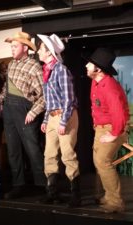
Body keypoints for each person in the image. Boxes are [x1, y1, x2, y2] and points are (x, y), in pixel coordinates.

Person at [0, 31, 46, 199]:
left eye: (15, 46)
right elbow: (7, 86)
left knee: (32, 148)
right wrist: (2, 102)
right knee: (13, 150)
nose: (12, 49)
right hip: (9, 109)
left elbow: (44, 95)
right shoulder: (11, 64)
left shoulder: (34, 66)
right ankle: (18, 184)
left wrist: (33, 112)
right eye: (11, 46)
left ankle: (42, 185)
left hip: (24, 109)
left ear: (25, 48)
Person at [83, 47, 129, 213]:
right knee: (99, 162)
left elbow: (118, 113)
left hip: (113, 128)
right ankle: (109, 197)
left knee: (103, 161)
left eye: (90, 63)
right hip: (101, 128)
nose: (86, 66)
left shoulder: (109, 86)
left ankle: (116, 202)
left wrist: (114, 134)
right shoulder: (96, 83)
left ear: (99, 69)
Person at [37, 33, 81, 207]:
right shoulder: (47, 71)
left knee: (68, 155)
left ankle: (76, 196)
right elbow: (50, 100)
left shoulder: (60, 70)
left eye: (40, 49)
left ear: (49, 52)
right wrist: (46, 120)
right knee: (49, 155)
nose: (38, 52)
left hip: (66, 115)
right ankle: (52, 193)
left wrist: (63, 122)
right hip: (53, 116)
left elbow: (68, 99)